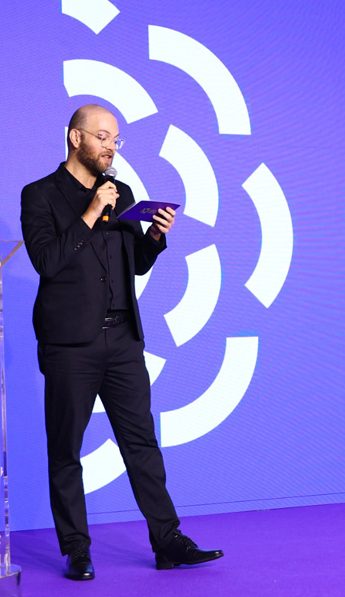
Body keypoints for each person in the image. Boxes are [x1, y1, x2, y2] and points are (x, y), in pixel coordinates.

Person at [19, 104, 223, 580]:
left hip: (123, 339)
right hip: (70, 346)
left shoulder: (123, 193)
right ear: (76, 138)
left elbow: (134, 265)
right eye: (103, 137)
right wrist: (90, 214)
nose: (112, 147)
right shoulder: (40, 195)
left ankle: (168, 541)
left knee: (142, 444)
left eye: (116, 140)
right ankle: (77, 549)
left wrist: (154, 237)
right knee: (66, 449)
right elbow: (47, 263)